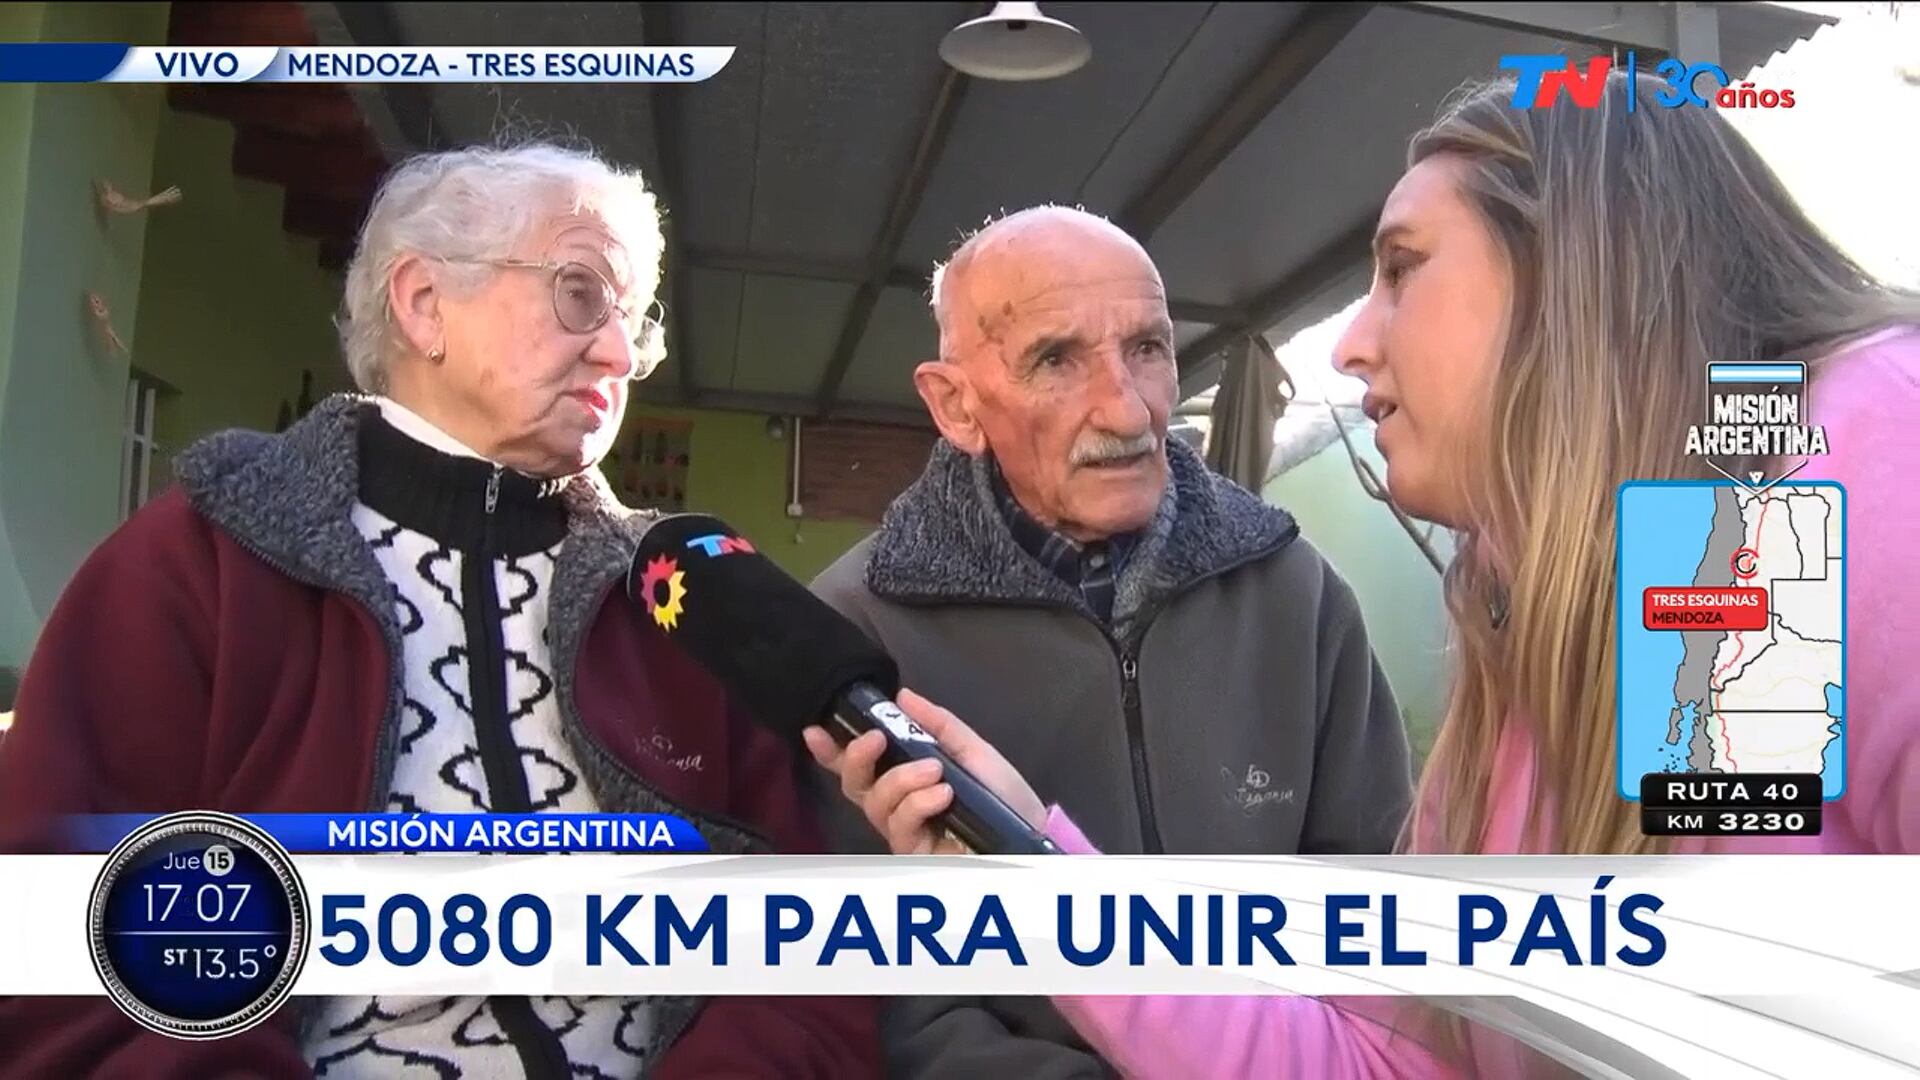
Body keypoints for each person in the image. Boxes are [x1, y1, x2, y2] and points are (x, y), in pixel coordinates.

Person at [807, 72, 1920, 1078]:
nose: (1348, 344)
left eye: (1402, 269)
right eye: (1059, 358)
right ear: (954, 402)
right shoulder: (1661, 559)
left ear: (1571, 261)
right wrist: (1031, 860)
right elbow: (1392, 1054)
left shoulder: (1849, 474)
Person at [0, 142, 879, 1078]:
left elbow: (804, 950)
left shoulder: (681, 599)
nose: (622, 353)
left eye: (635, 320)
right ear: (424, 305)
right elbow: (63, 957)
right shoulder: (206, 560)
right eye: (581, 294)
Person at [808, 205, 1415, 1074]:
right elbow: (876, 985)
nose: (1127, 408)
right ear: (956, 405)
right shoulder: (856, 633)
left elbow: (1379, 909)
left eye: (1148, 348)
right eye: (1057, 359)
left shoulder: (1298, 592)